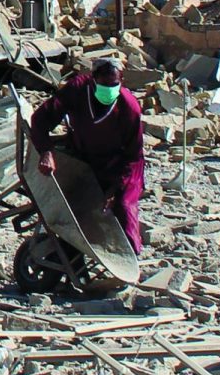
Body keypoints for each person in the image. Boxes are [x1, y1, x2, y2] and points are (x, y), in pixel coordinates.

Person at [30, 56, 146, 254]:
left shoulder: (129, 106)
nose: (108, 89)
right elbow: (41, 119)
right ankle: (74, 252)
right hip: (85, 160)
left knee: (124, 206)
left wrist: (117, 188)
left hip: (120, 165)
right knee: (78, 207)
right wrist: (46, 151)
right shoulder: (77, 90)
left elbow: (133, 154)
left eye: (114, 85)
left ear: (121, 83)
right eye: (103, 84)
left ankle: (130, 255)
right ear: (93, 79)